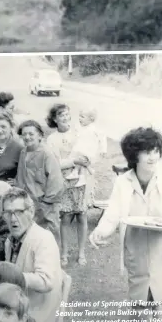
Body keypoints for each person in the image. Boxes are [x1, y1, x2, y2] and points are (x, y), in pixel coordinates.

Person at [89, 127, 162, 322]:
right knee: (138, 304)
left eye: (155, 151)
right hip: (136, 247)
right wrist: (99, 232)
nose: (152, 157)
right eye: (146, 152)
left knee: (161, 302)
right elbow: (113, 212)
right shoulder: (123, 182)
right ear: (135, 155)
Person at [46, 104, 105, 266]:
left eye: (67, 114)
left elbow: (92, 150)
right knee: (65, 217)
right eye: (61, 115)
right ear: (54, 119)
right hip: (63, 181)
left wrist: (88, 161)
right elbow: (53, 164)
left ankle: (81, 253)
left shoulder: (80, 132)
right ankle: (64, 253)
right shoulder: (51, 139)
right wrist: (73, 161)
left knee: (82, 216)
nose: (65, 118)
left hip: (82, 181)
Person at [1, 187, 62, 322]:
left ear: (31, 212)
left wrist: (7, 273)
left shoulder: (43, 238)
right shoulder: (10, 241)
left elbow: (46, 281)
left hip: (36, 319)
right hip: (17, 312)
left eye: (19, 212)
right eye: (8, 213)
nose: (13, 219)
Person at [15, 120, 64, 246]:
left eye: (31, 134)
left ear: (40, 136)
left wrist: (47, 201)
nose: (27, 137)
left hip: (45, 202)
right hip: (29, 201)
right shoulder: (23, 152)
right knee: (30, 233)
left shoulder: (46, 153)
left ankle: (54, 259)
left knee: (50, 232)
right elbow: (21, 176)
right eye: (24, 134)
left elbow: (56, 180)